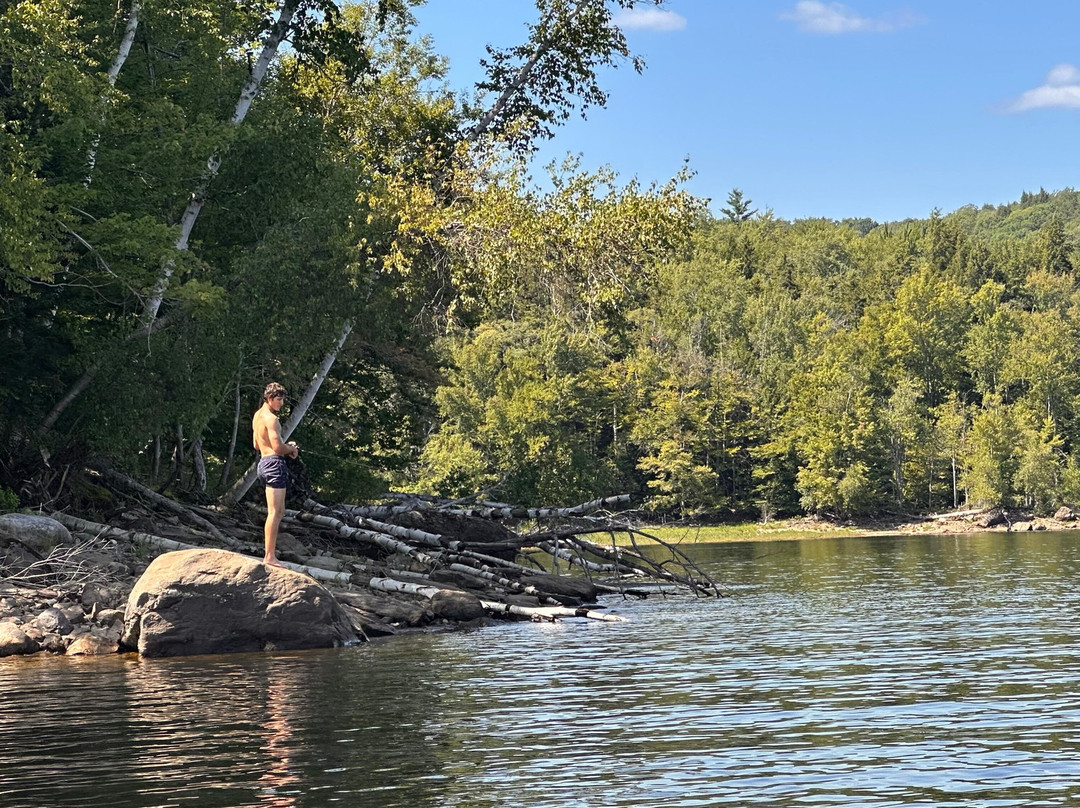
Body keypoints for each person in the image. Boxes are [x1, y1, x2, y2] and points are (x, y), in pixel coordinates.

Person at [253, 382, 299, 568]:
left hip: (263, 463)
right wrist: (292, 448)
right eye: (279, 400)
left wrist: (285, 447)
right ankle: (269, 556)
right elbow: (278, 448)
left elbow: (257, 445)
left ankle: (270, 554)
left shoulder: (257, 416)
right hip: (274, 465)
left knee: (279, 511)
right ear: (270, 399)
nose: (281, 404)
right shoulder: (271, 419)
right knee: (274, 512)